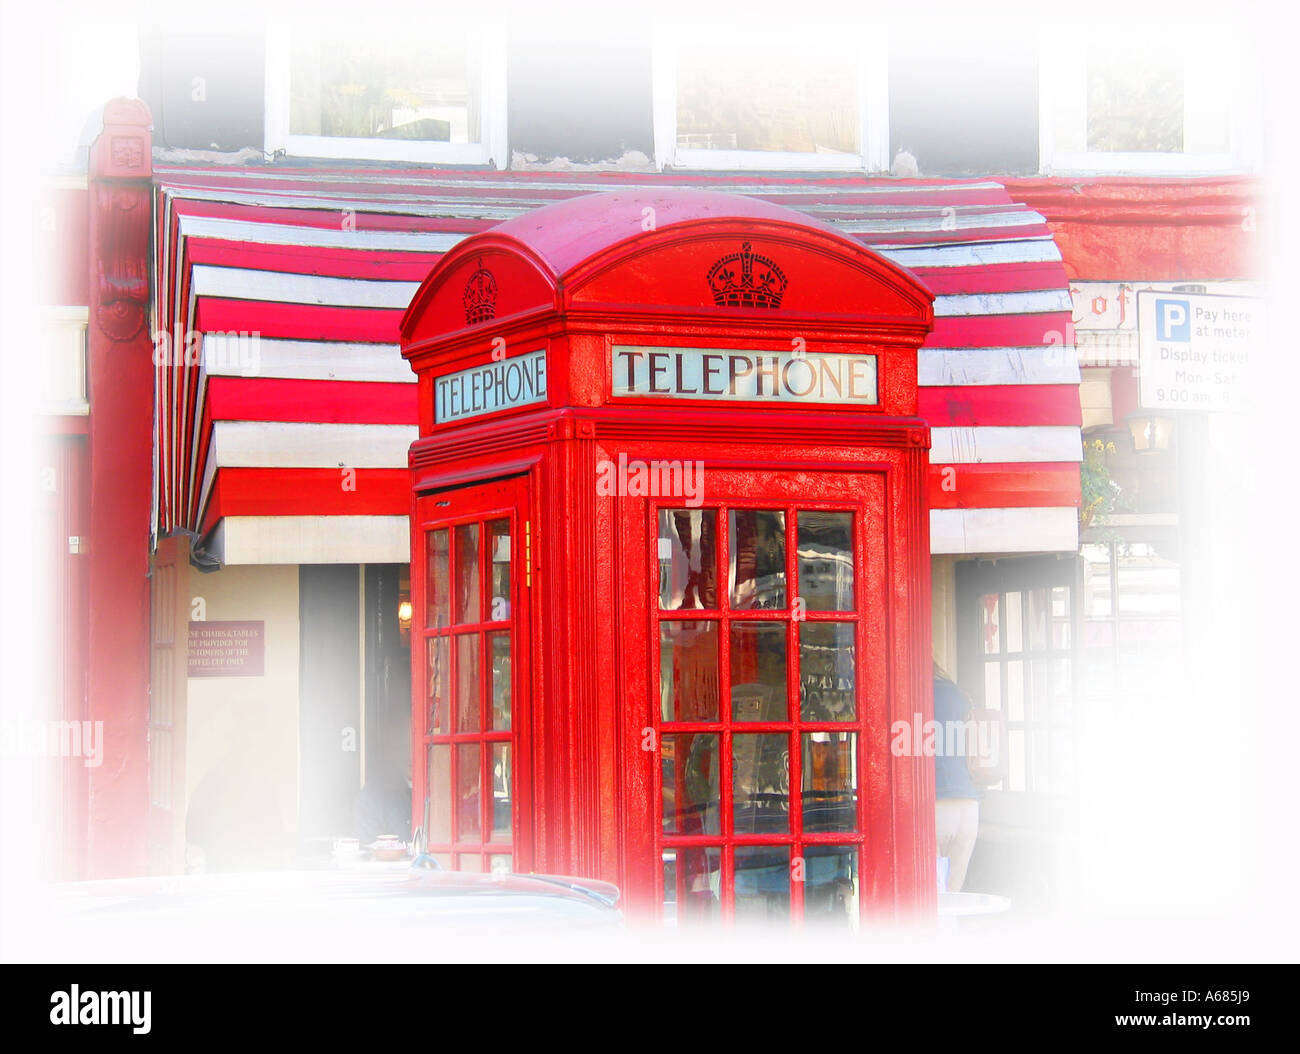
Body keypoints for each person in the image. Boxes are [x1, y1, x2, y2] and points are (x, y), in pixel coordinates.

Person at [933, 661, 981, 893]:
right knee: (952, 897)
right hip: (968, 806)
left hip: (934, 805)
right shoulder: (958, 694)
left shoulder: (910, 691)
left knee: (931, 899)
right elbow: (974, 759)